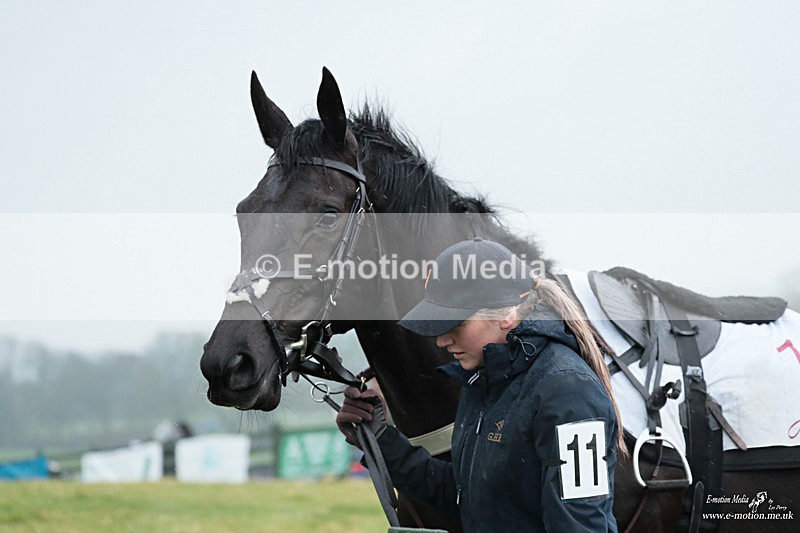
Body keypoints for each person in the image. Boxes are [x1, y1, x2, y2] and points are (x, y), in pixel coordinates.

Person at [336, 237, 625, 532]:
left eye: (456, 324)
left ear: (507, 315)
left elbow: (580, 525)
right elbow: (470, 499)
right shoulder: (483, 381)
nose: (441, 340)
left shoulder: (568, 392)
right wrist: (380, 439)